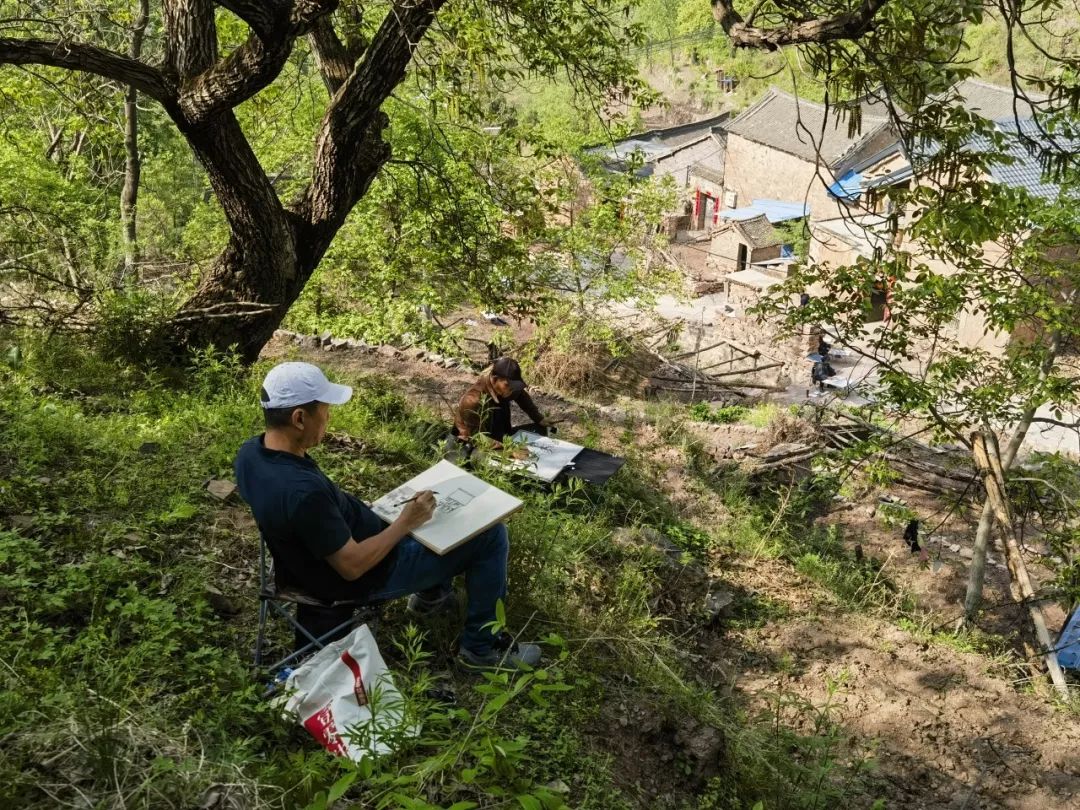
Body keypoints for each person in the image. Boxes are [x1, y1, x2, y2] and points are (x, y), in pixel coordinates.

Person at [235, 361, 540, 670]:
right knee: (490, 535)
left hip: (324, 553)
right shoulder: (302, 493)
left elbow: (309, 518)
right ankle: (481, 648)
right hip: (367, 575)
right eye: (325, 411)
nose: (328, 419)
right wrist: (405, 522)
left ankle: (431, 596)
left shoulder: (251, 454)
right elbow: (352, 567)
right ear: (299, 418)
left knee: (430, 506)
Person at [452, 357, 551, 450]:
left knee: (542, 430)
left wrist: (539, 418)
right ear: (494, 379)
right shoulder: (472, 400)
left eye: (513, 387)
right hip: (471, 444)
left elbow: (521, 395)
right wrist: (509, 450)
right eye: (508, 386)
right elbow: (477, 438)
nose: (511, 390)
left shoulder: (506, 388)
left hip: (501, 436)